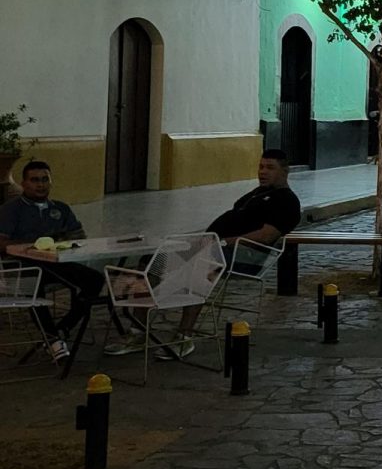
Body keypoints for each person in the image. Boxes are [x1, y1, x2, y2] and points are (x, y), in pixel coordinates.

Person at [112, 149, 302, 359]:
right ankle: (138, 330)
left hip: (244, 254)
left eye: (270, 168)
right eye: (261, 167)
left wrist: (222, 241)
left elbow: (266, 236)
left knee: (201, 263)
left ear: (285, 171)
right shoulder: (257, 193)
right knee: (150, 262)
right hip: (214, 245)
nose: (263, 172)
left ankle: (184, 336)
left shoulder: (287, 201)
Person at [0, 160, 102, 363]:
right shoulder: (11, 210)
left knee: (96, 280)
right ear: (24, 183)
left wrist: (64, 241)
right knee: (33, 284)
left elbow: (79, 236)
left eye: (45, 179)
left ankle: (64, 328)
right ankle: (53, 339)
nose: (40, 185)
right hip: (21, 266)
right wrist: (32, 245)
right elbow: (1, 243)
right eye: (34, 180)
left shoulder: (61, 209)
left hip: (57, 263)